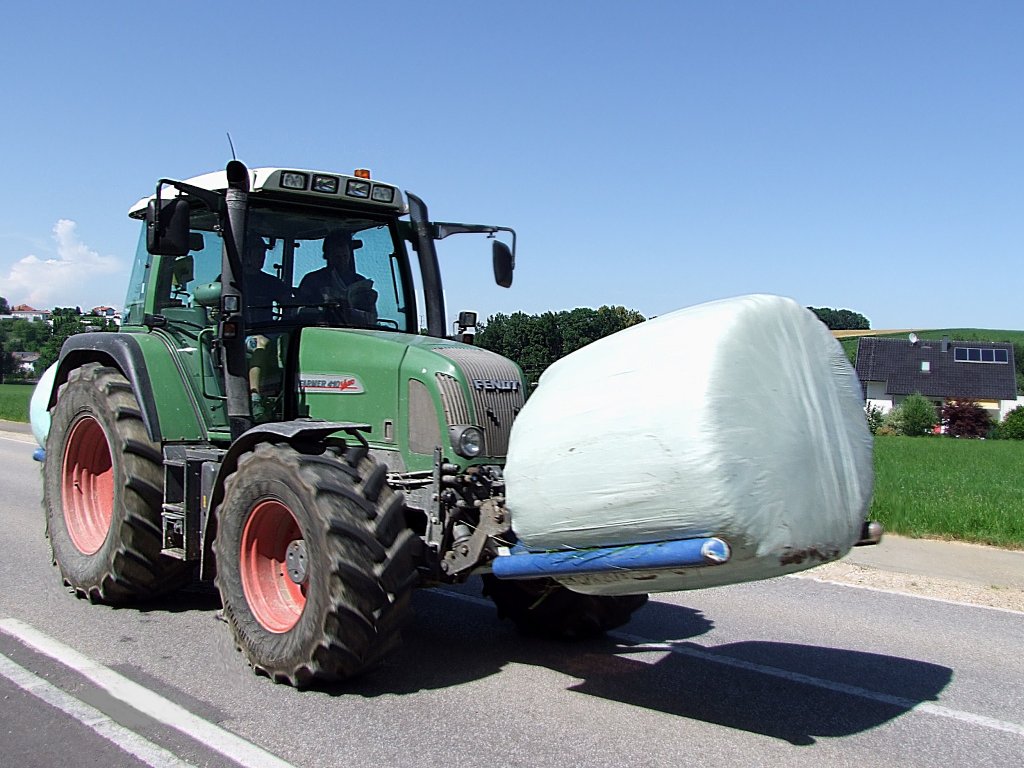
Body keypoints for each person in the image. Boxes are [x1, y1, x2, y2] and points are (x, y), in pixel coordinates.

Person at [297, 231, 378, 325]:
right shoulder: (312, 280)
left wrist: (369, 302)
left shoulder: (359, 281)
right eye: (337, 257)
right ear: (327, 256)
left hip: (355, 331)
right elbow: (299, 311)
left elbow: (371, 318)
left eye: (345, 256)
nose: (342, 260)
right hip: (321, 331)